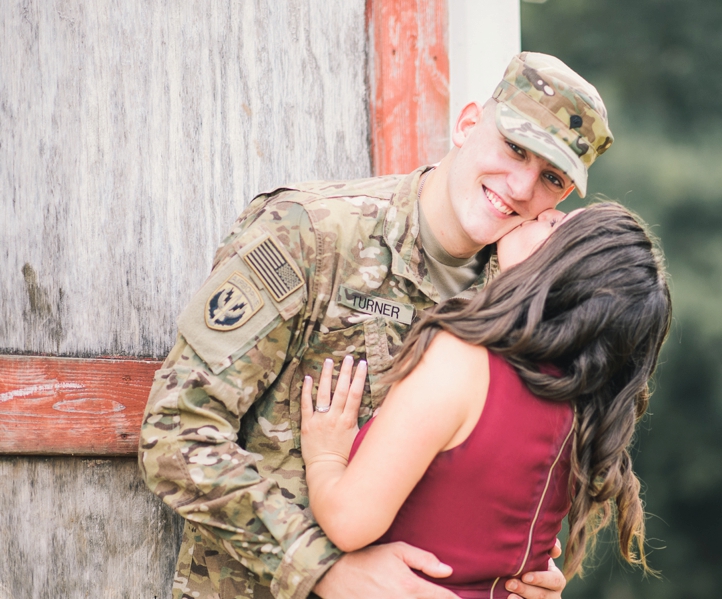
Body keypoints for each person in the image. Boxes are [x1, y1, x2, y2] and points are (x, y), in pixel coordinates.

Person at [139, 52, 614, 599]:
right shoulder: (311, 235)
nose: (521, 186)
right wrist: (326, 571)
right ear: (466, 125)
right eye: (514, 147)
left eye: (550, 177)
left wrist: (515, 567)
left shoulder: (522, 312)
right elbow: (176, 433)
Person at [298, 202, 672, 598]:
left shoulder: (463, 360)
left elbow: (348, 521)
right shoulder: (585, 417)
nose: (546, 212)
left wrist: (326, 458)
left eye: (558, 224)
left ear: (563, 273)